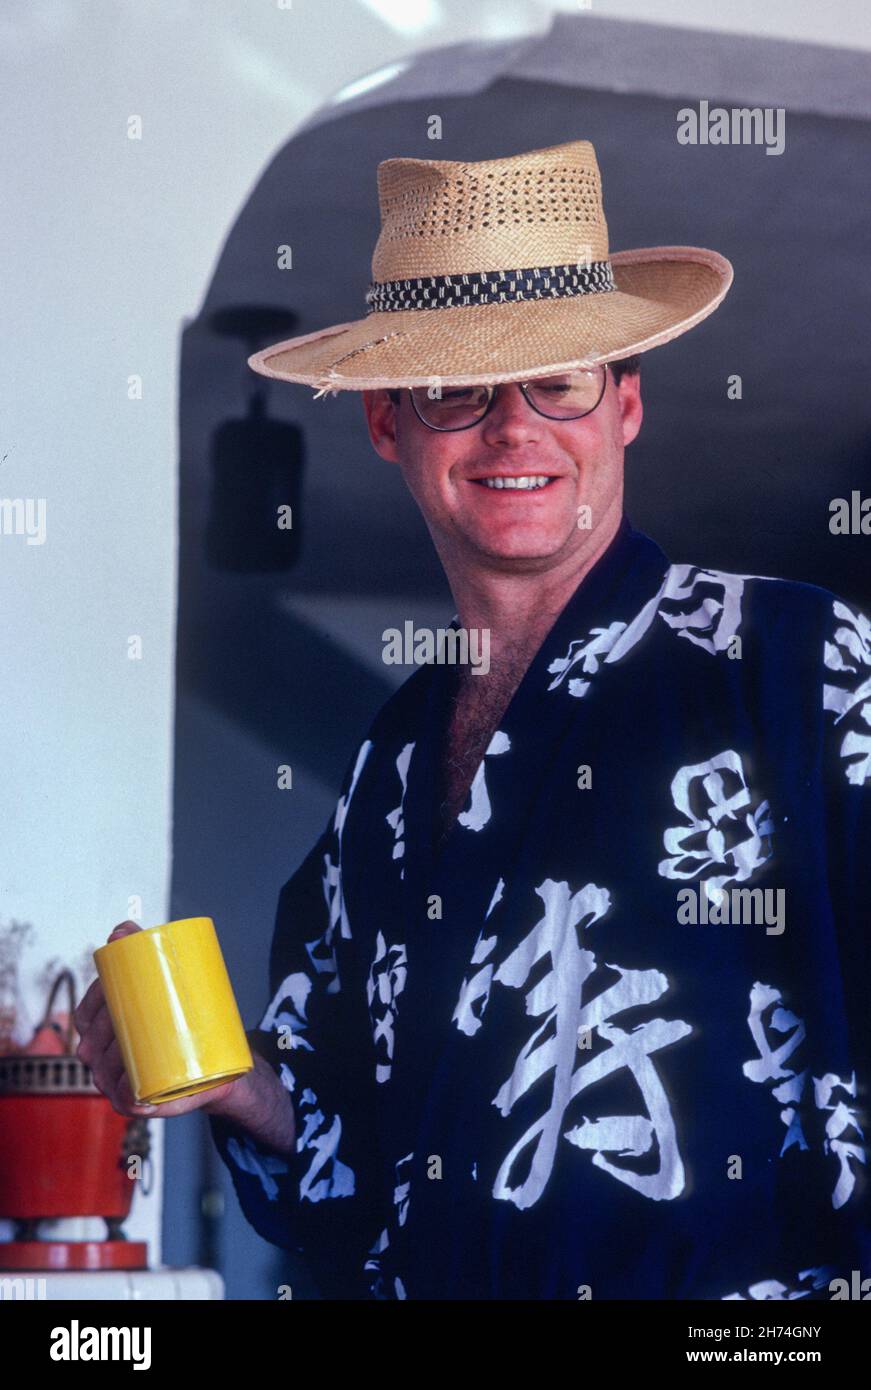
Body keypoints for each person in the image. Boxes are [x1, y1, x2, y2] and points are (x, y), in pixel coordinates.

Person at [75, 140, 869, 1300]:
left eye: (561, 379)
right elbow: (362, 1167)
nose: (514, 428)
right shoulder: (389, 765)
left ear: (625, 403)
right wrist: (234, 1082)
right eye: (458, 387)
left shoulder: (791, 663)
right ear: (389, 424)